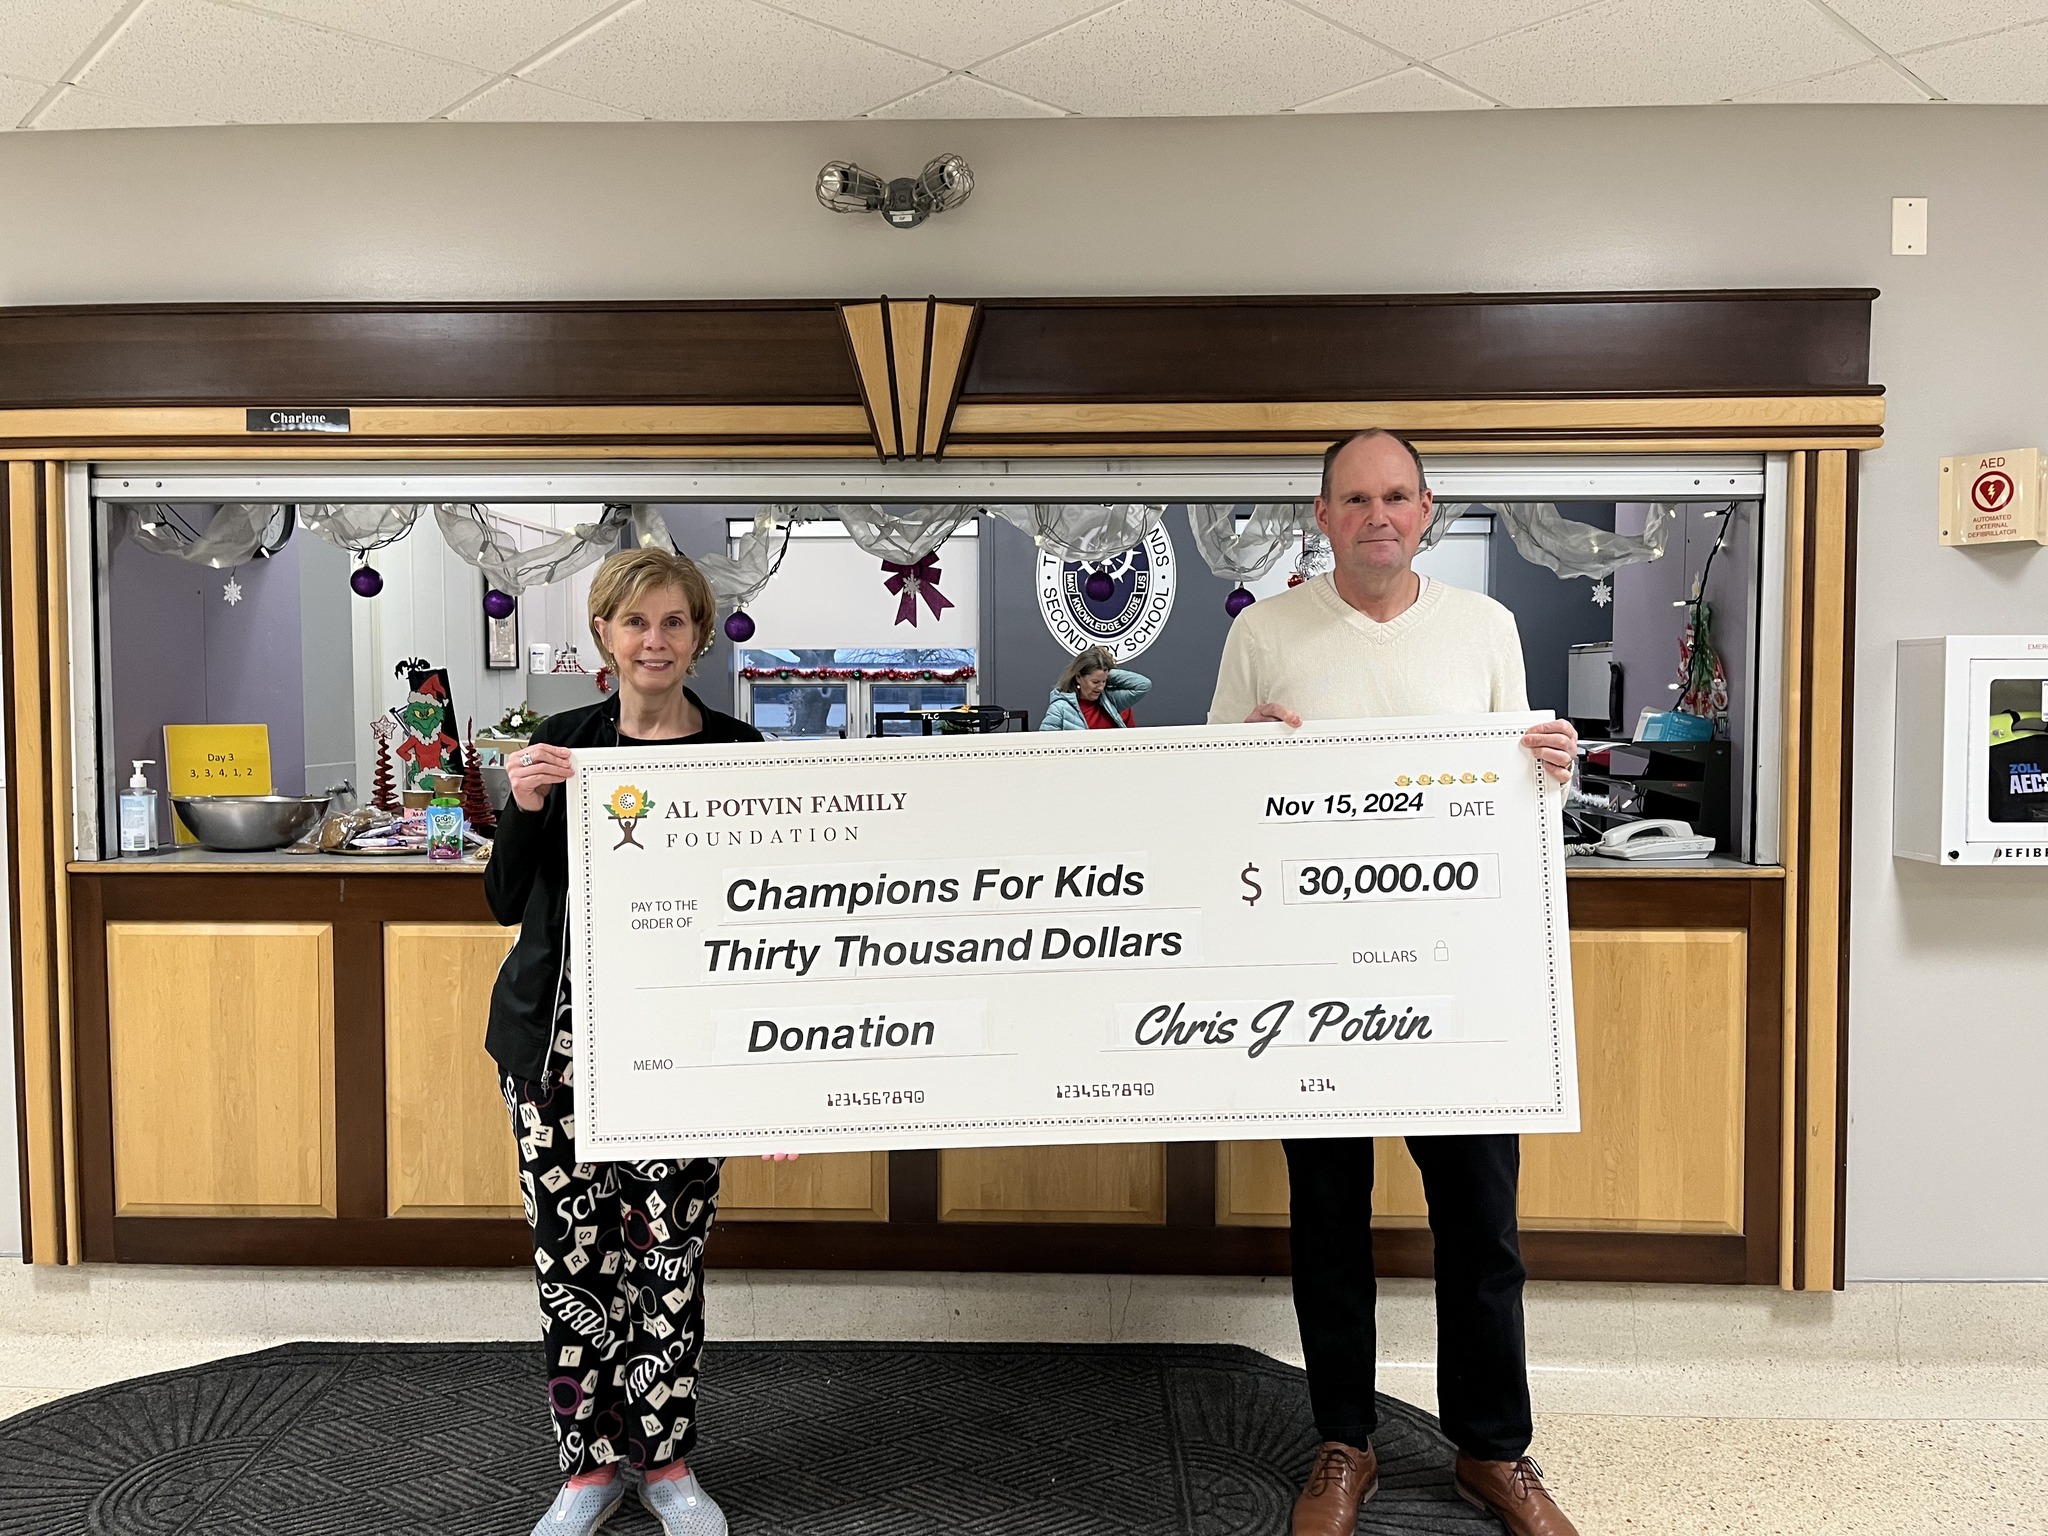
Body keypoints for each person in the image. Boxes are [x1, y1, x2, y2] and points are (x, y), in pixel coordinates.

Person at [1209, 430, 1582, 1536]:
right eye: (1354, 498)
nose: (1377, 515)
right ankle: (1341, 1443)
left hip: (1458, 979)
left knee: (1480, 1222)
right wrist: (1238, 757)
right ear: (1319, 516)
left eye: (1397, 496)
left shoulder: (1486, 628)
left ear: (1427, 511)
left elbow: (1518, 805)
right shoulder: (1264, 631)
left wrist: (1547, 773)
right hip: (1313, 981)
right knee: (1327, 1217)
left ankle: (1491, 1451)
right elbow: (1209, 795)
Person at [486, 547, 791, 1536]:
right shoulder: (558, 743)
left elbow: (773, 920)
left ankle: (665, 1465)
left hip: (682, 1051)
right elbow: (501, 903)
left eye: (671, 622)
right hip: (556, 1054)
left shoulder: (740, 754)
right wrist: (527, 807)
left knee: (667, 1261)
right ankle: (585, 1470)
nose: (652, 642)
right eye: (633, 623)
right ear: (603, 640)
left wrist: (778, 1078)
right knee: (572, 1267)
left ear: (699, 634)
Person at [1040, 646, 1151, 730]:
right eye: (1095, 682)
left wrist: (1107, 671)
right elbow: (1045, 746)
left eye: (1104, 681)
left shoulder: (1114, 701)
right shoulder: (1060, 708)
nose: (1101, 687)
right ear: (1078, 677)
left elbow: (1143, 685)